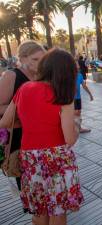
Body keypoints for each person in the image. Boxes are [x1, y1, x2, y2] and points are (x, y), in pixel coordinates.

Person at [0, 49, 84, 225]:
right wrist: (76, 124)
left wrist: (32, 122)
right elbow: (70, 139)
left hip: (30, 158)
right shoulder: (62, 95)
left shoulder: (24, 89)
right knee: (57, 212)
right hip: (57, 158)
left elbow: (6, 122)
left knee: (39, 210)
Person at [0, 40, 46, 209]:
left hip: (40, 134)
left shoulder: (41, 75)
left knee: (41, 174)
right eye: (35, 60)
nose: (40, 63)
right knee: (25, 176)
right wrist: (25, 109)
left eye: (42, 59)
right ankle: (33, 209)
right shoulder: (11, 75)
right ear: (23, 58)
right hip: (19, 135)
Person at [75, 64, 94, 133]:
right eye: (76, 67)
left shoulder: (79, 75)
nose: (78, 68)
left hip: (78, 97)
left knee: (79, 112)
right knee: (75, 112)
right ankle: (73, 128)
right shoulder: (68, 76)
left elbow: (84, 86)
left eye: (78, 67)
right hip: (70, 98)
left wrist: (90, 94)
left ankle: (79, 128)